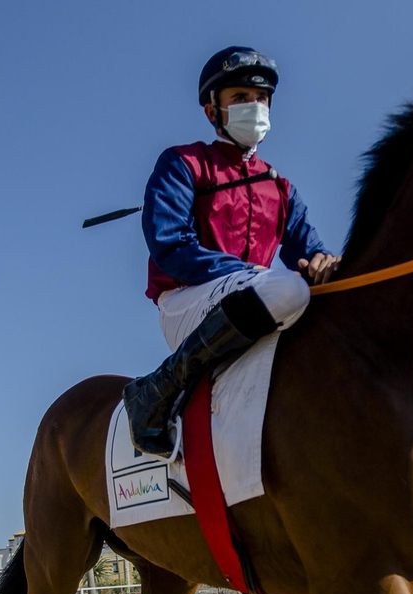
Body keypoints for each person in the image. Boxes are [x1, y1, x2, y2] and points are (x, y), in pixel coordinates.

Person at [123, 46, 339, 454]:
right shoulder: (182, 163)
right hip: (185, 302)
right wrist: (252, 275)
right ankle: (156, 389)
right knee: (288, 291)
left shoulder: (282, 188)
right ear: (212, 111)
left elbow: (311, 254)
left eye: (261, 99)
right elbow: (170, 246)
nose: (253, 106)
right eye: (240, 98)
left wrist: (331, 265)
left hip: (256, 299)